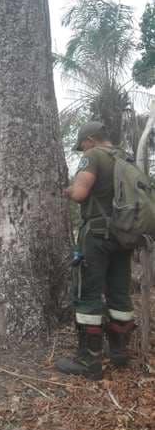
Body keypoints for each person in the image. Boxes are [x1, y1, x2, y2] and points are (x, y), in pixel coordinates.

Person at [56, 121, 135, 380]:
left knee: (88, 292)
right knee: (120, 292)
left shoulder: (93, 156)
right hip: (124, 235)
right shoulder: (125, 157)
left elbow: (80, 193)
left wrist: (66, 190)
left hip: (98, 235)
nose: (82, 150)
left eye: (82, 146)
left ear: (90, 140)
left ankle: (89, 361)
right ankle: (119, 352)